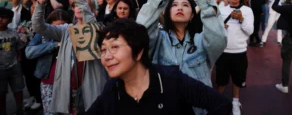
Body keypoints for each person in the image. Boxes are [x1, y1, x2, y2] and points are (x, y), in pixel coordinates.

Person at [137, 0, 227, 114]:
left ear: (192, 15)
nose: (180, 7)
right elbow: (140, 30)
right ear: (166, 12)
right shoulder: (158, 39)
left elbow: (219, 38)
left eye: (185, 5)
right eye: (175, 5)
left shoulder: (201, 41)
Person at [86, 19, 232, 115]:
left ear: (138, 52)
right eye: (103, 50)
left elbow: (221, 104)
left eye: (114, 47)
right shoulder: (112, 90)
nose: (106, 56)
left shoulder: (171, 80)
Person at [32, 0, 108, 113]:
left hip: (91, 89)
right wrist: (40, 3)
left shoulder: (100, 29)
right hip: (69, 90)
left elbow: (91, 28)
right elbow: (38, 27)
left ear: (93, 10)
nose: (78, 7)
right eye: (75, 5)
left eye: (84, 5)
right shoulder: (66, 30)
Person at [216, 0, 254, 115]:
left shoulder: (247, 11)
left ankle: (235, 103)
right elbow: (215, 30)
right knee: (221, 81)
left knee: (237, 81)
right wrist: (222, 28)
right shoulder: (221, 10)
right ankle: (218, 103)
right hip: (223, 51)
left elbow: (250, 31)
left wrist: (241, 19)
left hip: (240, 52)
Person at [25, 9, 72, 115]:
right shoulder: (42, 34)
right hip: (48, 81)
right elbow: (29, 52)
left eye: (63, 26)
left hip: (68, 82)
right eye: (56, 27)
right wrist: (54, 45)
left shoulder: (72, 33)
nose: (60, 30)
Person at [0, 8, 25, 115]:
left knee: (18, 89)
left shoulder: (13, 33)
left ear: (10, 20)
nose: (0, 19)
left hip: (14, 66)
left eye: (4, 18)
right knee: (1, 92)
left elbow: (18, 48)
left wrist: (18, 60)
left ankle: (20, 109)